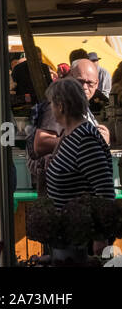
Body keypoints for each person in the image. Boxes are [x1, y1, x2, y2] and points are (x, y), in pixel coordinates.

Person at [44, 77, 116, 211]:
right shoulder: (69, 134)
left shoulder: (85, 139)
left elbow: (105, 193)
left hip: (81, 229)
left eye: (51, 103)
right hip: (67, 226)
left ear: (60, 106)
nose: (50, 108)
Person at [30, 57, 110, 161]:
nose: (85, 87)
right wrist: (91, 141)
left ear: (97, 84)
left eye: (90, 83)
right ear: (70, 78)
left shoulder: (82, 107)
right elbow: (41, 144)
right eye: (80, 81)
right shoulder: (59, 106)